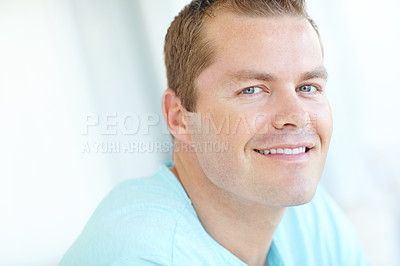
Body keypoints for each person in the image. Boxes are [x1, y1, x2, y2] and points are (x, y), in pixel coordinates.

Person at [60, 0, 371, 265]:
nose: (296, 117)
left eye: (308, 87)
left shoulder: (313, 221)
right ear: (179, 117)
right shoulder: (138, 254)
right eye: (251, 89)